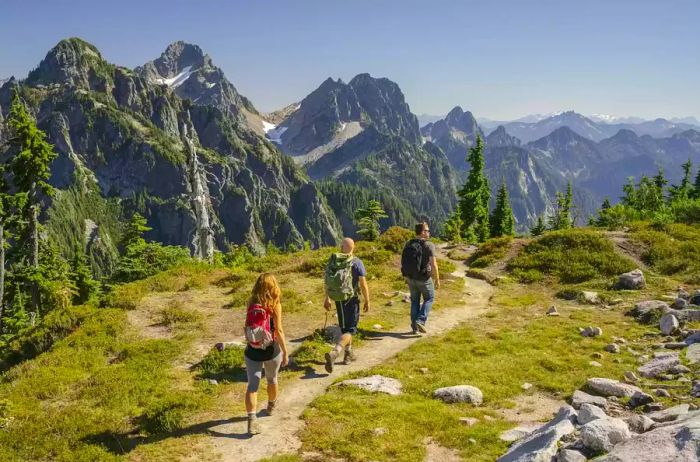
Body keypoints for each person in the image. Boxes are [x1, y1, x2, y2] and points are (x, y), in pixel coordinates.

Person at [243, 273, 289, 435]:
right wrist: (285, 351)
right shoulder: (275, 305)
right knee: (272, 379)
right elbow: (279, 330)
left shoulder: (251, 303)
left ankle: (251, 420)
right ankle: (271, 406)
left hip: (252, 351)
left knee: (252, 386)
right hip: (271, 350)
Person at [323, 237, 370, 373]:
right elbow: (363, 283)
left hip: (338, 299)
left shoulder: (334, 262)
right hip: (352, 299)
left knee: (345, 329)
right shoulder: (357, 262)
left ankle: (348, 355)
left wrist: (327, 298)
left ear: (341, 247)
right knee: (351, 330)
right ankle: (336, 352)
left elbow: (327, 281)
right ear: (353, 247)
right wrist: (367, 300)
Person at [401, 222, 440, 334]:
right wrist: (437, 279)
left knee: (415, 301)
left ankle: (415, 328)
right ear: (422, 232)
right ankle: (420, 320)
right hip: (423, 278)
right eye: (427, 230)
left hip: (410, 277)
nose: (429, 232)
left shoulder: (409, 243)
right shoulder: (429, 245)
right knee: (429, 298)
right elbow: (434, 264)